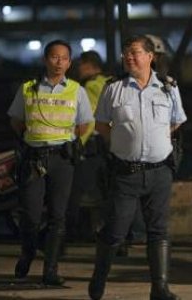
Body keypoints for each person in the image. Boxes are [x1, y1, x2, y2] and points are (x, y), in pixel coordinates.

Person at [88, 35, 187, 300]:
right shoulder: (114, 88)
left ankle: (160, 288)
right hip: (125, 173)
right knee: (116, 231)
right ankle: (99, 278)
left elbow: (176, 121)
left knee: (158, 230)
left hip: (160, 172)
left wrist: (154, 138)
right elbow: (101, 126)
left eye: (134, 52)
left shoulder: (168, 87)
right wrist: (123, 145)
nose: (129, 57)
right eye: (125, 53)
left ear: (150, 56)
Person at [8, 40, 93, 285]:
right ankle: (28, 252)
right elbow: (16, 121)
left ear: (69, 62)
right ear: (46, 60)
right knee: (30, 215)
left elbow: (85, 123)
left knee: (58, 215)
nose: (59, 62)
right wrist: (34, 136)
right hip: (34, 158)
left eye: (64, 58)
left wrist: (68, 141)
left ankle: (50, 270)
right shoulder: (28, 89)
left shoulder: (77, 90)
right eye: (55, 57)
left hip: (62, 159)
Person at [66, 50, 112, 240]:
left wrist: (77, 144)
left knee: (78, 191)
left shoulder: (91, 86)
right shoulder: (110, 82)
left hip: (92, 145)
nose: (78, 69)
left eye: (81, 65)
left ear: (90, 65)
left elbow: (89, 120)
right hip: (110, 145)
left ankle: (73, 232)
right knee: (106, 191)